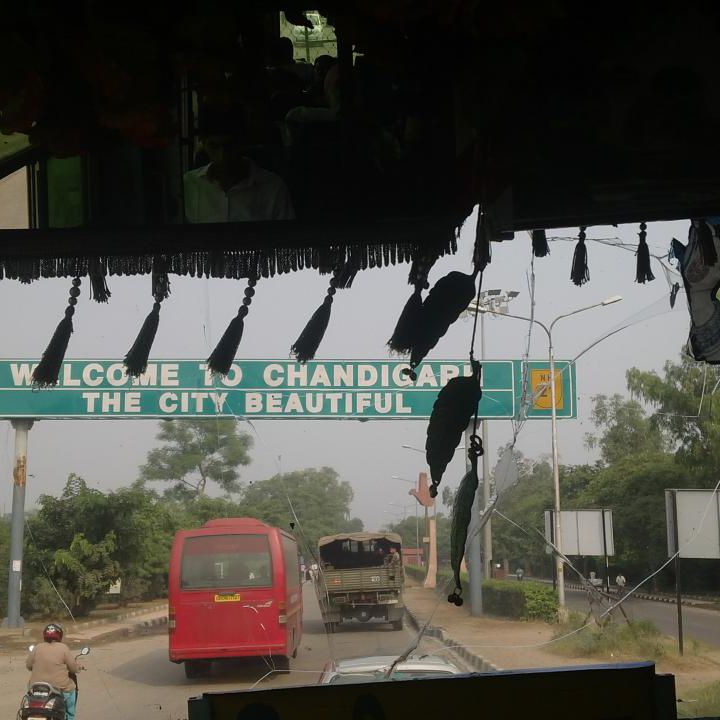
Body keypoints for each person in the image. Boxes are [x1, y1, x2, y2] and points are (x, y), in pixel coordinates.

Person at [184, 105, 295, 223]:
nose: (222, 156)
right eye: (214, 146)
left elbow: (286, 238)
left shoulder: (273, 188)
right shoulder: (188, 186)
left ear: (242, 143)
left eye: (229, 146)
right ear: (203, 145)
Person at [26, 623, 80, 720]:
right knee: (72, 690)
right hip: (59, 688)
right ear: (60, 635)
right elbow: (73, 668)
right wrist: (79, 667)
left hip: (36, 687)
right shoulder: (63, 648)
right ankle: (70, 717)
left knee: (28, 698)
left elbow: (29, 666)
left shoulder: (37, 647)